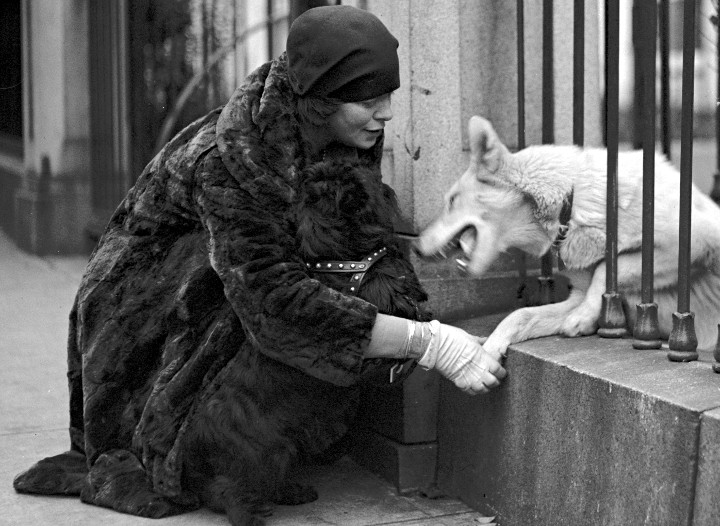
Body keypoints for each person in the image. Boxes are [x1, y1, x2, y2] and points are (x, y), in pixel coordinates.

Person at [13, 5, 506, 525]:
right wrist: (428, 342)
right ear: (322, 99)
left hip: (226, 278)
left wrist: (427, 252)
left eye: (388, 96)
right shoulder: (232, 160)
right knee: (283, 310)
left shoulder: (336, 125)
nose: (385, 114)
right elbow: (274, 300)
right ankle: (204, 451)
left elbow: (351, 234)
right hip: (144, 315)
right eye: (368, 101)